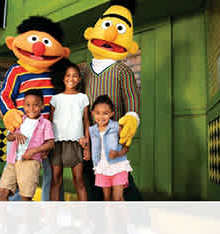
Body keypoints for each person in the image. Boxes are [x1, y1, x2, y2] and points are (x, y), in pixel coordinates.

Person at [0, 16, 70, 201]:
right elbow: (4, 95)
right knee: (15, 171)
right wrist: (9, 113)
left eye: (45, 42)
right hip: (23, 131)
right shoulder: (16, 71)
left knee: (52, 176)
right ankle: (1, 210)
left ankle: (49, 214)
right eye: (34, 40)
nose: (39, 47)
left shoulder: (57, 73)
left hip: (49, 133)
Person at [82, 0, 142, 200]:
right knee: (92, 175)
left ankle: (136, 215)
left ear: (131, 45)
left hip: (112, 132)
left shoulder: (122, 70)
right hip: (89, 134)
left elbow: (132, 96)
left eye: (119, 29)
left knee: (119, 175)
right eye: (107, 26)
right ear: (91, 32)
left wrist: (132, 117)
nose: (110, 34)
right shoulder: (85, 72)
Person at [0, 89, 55, 201]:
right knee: (3, 191)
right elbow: (9, 137)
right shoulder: (20, 120)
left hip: (30, 162)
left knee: (25, 197)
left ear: (42, 106)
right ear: (23, 106)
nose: (31, 108)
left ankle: (28, 218)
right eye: (28, 105)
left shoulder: (45, 123)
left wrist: (33, 151)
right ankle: (2, 219)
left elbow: (51, 143)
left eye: (36, 105)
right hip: (13, 161)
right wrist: (15, 135)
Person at [49, 63, 90, 201]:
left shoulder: (83, 98)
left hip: (76, 142)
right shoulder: (55, 98)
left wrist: (87, 145)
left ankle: (84, 217)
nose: (71, 78)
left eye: (74, 76)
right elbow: (49, 122)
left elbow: (86, 122)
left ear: (79, 79)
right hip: (57, 143)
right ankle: (51, 218)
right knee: (56, 180)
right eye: (68, 75)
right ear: (63, 78)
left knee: (79, 179)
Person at [80, 95, 132, 201]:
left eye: (105, 113)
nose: (101, 117)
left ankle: (125, 217)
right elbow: (89, 147)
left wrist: (118, 154)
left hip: (118, 167)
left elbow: (126, 148)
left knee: (117, 198)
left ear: (111, 114)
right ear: (93, 113)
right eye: (97, 113)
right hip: (102, 168)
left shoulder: (117, 127)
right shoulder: (92, 130)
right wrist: (83, 144)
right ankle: (109, 218)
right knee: (107, 199)